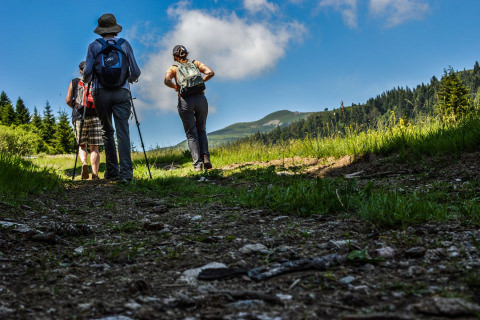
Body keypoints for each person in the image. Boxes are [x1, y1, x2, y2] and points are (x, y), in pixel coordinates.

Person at [83, 13, 141, 182]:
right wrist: (126, 80)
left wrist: (89, 80)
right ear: (115, 29)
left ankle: (112, 171)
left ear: (100, 30)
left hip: (100, 92)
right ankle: (126, 174)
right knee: (123, 132)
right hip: (122, 92)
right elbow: (136, 71)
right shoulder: (125, 45)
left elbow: (87, 72)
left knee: (107, 131)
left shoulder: (93, 46)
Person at [164, 45, 215, 171]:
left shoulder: (173, 68)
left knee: (191, 134)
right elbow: (210, 72)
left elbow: (166, 80)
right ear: (186, 54)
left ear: (175, 56)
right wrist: (201, 82)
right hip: (200, 99)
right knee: (201, 130)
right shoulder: (195, 63)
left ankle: (198, 165)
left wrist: (176, 87)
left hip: (185, 101)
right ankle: (206, 157)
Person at [66, 61, 103, 180]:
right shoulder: (98, 81)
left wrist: (76, 108)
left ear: (80, 70)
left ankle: (84, 163)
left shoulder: (75, 81)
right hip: (96, 116)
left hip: (79, 116)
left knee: (82, 145)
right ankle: (95, 174)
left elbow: (68, 100)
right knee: (95, 147)